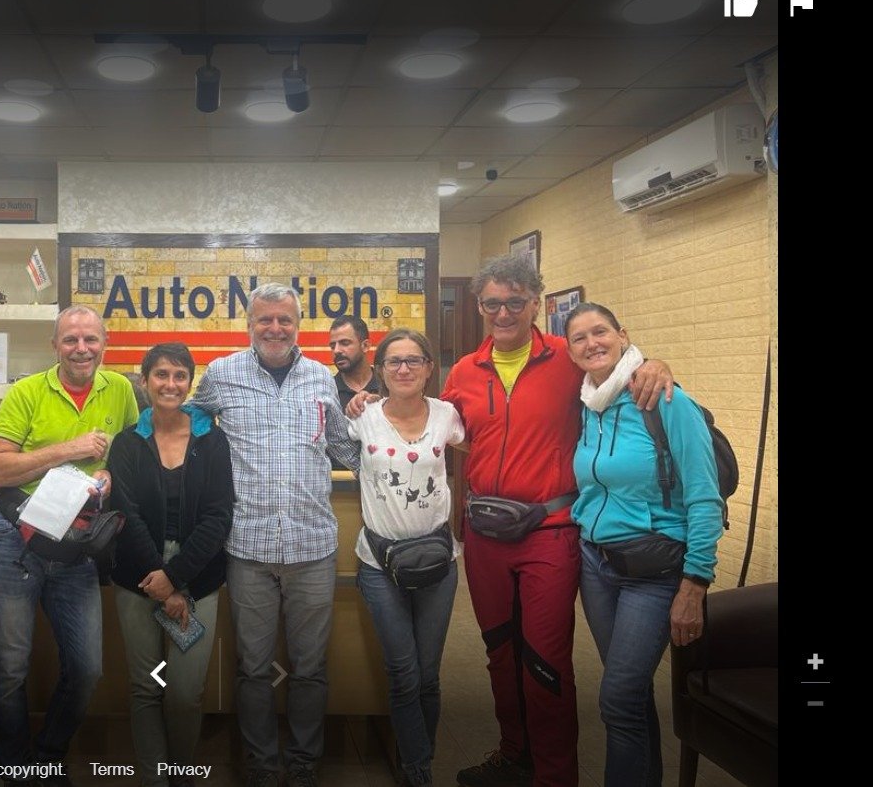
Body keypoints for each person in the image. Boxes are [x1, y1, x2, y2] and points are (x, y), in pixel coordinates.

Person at [438, 254, 672, 787]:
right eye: (493, 302)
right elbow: (430, 422)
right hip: (484, 535)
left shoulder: (568, 356)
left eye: (515, 302)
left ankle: (554, 773)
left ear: (535, 304)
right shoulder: (463, 371)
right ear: (479, 306)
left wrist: (654, 364)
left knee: (544, 661)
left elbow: (618, 361)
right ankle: (514, 753)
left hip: (550, 532)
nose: (503, 312)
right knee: (499, 652)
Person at [190, 283, 359, 787]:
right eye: (265, 320)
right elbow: (191, 426)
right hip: (248, 548)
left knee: (310, 668)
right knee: (253, 669)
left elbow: (342, 450)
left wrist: (384, 433)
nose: (275, 329)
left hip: (312, 547)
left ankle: (304, 765)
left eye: (285, 320)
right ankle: (262, 766)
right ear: (249, 325)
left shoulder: (321, 379)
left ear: (298, 324)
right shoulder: (221, 375)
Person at [0, 305, 139, 785]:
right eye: (70, 339)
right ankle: (13, 767)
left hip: (78, 545)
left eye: (90, 339)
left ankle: (48, 755)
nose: (81, 348)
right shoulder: (26, 391)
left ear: (104, 344)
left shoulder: (122, 390)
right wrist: (71, 450)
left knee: (87, 667)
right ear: (55, 346)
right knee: (10, 664)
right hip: (16, 539)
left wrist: (111, 472)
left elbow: (129, 453)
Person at [564, 303, 722, 787]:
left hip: (653, 573)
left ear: (622, 334)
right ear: (569, 351)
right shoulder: (589, 404)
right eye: (579, 338)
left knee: (616, 698)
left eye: (601, 332)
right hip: (596, 564)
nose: (592, 343)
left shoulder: (666, 400)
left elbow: (704, 497)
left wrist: (694, 584)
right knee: (627, 695)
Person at [108, 343, 235, 787]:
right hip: (136, 578)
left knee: (183, 691)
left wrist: (177, 579)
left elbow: (219, 514)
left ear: (190, 382)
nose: (170, 384)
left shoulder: (212, 439)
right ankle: (153, 777)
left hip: (197, 579)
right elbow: (125, 513)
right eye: (160, 375)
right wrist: (160, 582)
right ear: (144, 381)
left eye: (180, 376)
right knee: (147, 686)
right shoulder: (127, 442)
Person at [349, 329, 464, 787]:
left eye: (413, 361)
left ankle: (422, 755)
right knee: (403, 672)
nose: (403, 369)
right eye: (393, 362)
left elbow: (489, 445)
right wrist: (355, 402)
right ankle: (418, 771)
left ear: (429, 368)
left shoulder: (448, 415)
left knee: (429, 675)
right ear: (379, 370)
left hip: (439, 562)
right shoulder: (361, 417)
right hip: (380, 565)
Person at [328, 314, 380, 410]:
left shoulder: (388, 386)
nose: (336, 350)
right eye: (332, 346)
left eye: (345, 343)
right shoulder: (327, 391)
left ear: (365, 346)